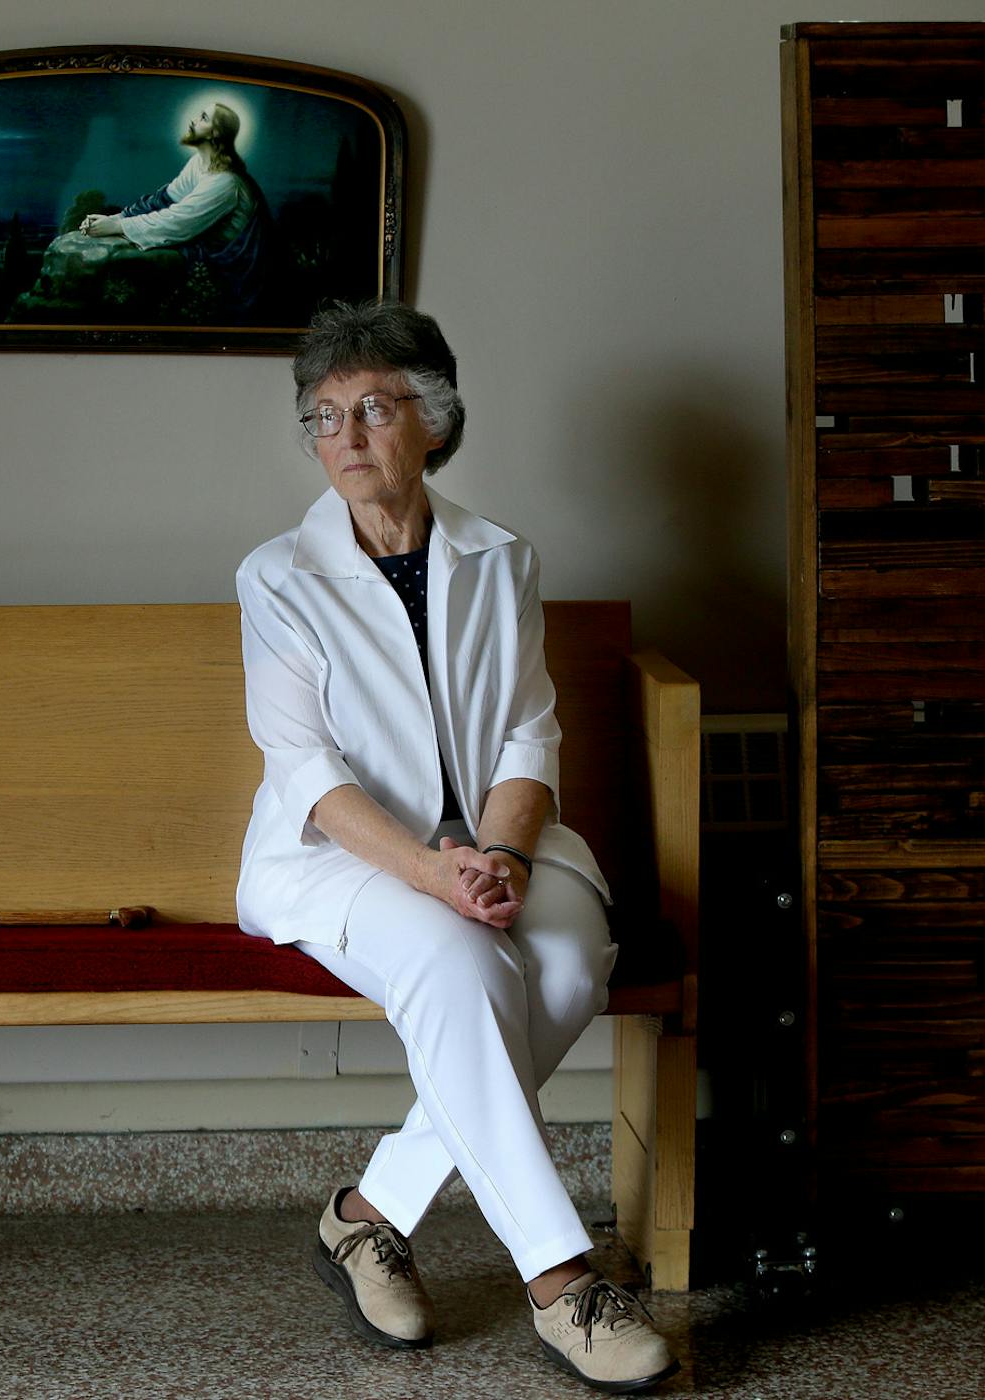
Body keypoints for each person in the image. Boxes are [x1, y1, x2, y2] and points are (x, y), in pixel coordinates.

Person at [235, 300, 678, 1393]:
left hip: (497, 843)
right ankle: (562, 1281)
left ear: (434, 422)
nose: (344, 435)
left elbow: (531, 729)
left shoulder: (499, 558)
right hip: (344, 854)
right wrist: (438, 873)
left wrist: (506, 857)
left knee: (572, 958)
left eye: (372, 408)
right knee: (463, 961)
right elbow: (307, 773)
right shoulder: (275, 578)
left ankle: (368, 1212)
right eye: (322, 415)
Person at [80, 102, 271, 313]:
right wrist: (115, 218)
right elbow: (164, 200)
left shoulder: (225, 182)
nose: (193, 120)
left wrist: (118, 227)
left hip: (235, 270)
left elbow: (177, 222)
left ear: (215, 133)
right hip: (209, 251)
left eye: (204, 118)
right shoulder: (198, 163)